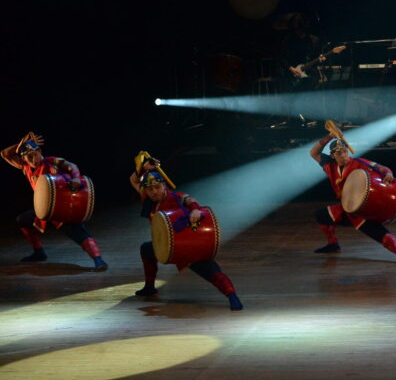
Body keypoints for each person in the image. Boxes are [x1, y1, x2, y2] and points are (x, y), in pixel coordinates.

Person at [130, 157, 243, 310]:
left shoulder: (176, 197)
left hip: (187, 245)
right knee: (146, 249)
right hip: (169, 246)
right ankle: (149, 287)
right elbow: (134, 180)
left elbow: (189, 199)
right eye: (150, 189)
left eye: (157, 187)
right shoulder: (149, 200)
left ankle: (232, 296)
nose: (154, 191)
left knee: (211, 272)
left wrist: (195, 209)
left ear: (164, 185)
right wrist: (143, 168)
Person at [2, 132, 107, 270]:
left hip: (60, 207)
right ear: (24, 159)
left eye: (35, 154)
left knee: (77, 231)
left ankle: (98, 260)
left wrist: (76, 177)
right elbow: (4, 154)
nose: (33, 159)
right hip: (44, 210)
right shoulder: (25, 167)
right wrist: (21, 143)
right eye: (29, 157)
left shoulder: (51, 161)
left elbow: (71, 165)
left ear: (40, 152)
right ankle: (39, 253)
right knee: (23, 219)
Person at [309, 133, 396, 263]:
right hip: (346, 208)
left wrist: (389, 174)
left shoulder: (359, 163)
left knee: (377, 232)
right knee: (321, 215)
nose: (343, 155)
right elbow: (313, 153)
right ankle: (333, 244)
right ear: (333, 156)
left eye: (345, 152)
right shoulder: (329, 166)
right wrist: (330, 136)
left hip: (360, 211)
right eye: (339, 153)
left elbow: (383, 168)